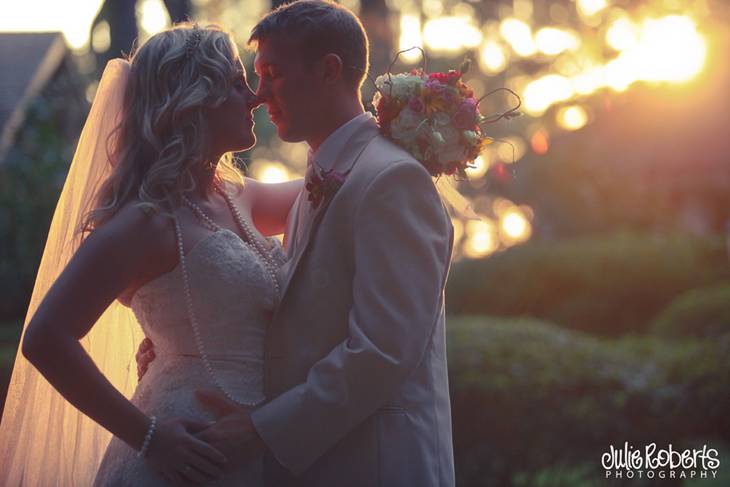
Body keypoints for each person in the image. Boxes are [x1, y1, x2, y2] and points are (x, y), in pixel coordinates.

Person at [141, 2, 457, 485]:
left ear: (329, 71)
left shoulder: (390, 179)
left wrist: (262, 429)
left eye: (273, 74)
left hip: (379, 462)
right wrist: (181, 337)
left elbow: (383, 350)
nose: (257, 94)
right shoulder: (326, 174)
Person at [0, 23, 301, 486]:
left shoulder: (237, 196)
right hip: (180, 453)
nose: (256, 97)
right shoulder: (145, 222)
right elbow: (45, 337)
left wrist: (409, 115)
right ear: (193, 99)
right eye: (237, 84)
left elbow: (333, 186)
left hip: (251, 446)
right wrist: (150, 438)